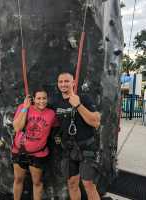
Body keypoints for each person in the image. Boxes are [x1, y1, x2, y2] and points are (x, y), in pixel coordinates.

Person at [52, 72, 101, 200]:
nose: (63, 84)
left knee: (89, 184)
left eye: (66, 81)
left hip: (86, 148)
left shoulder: (84, 98)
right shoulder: (57, 102)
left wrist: (78, 105)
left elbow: (95, 122)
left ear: (73, 83)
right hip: (68, 149)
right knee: (72, 184)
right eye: (60, 81)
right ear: (57, 84)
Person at [12, 87, 57, 200]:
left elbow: (57, 126)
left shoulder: (51, 114)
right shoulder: (23, 108)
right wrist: (25, 109)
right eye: (38, 98)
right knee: (18, 179)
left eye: (44, 98)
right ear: (33, 99)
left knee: (37, 182)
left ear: (47, 99)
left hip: (38, 154)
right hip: (19, 151)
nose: (41, 101)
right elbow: (17, 127)